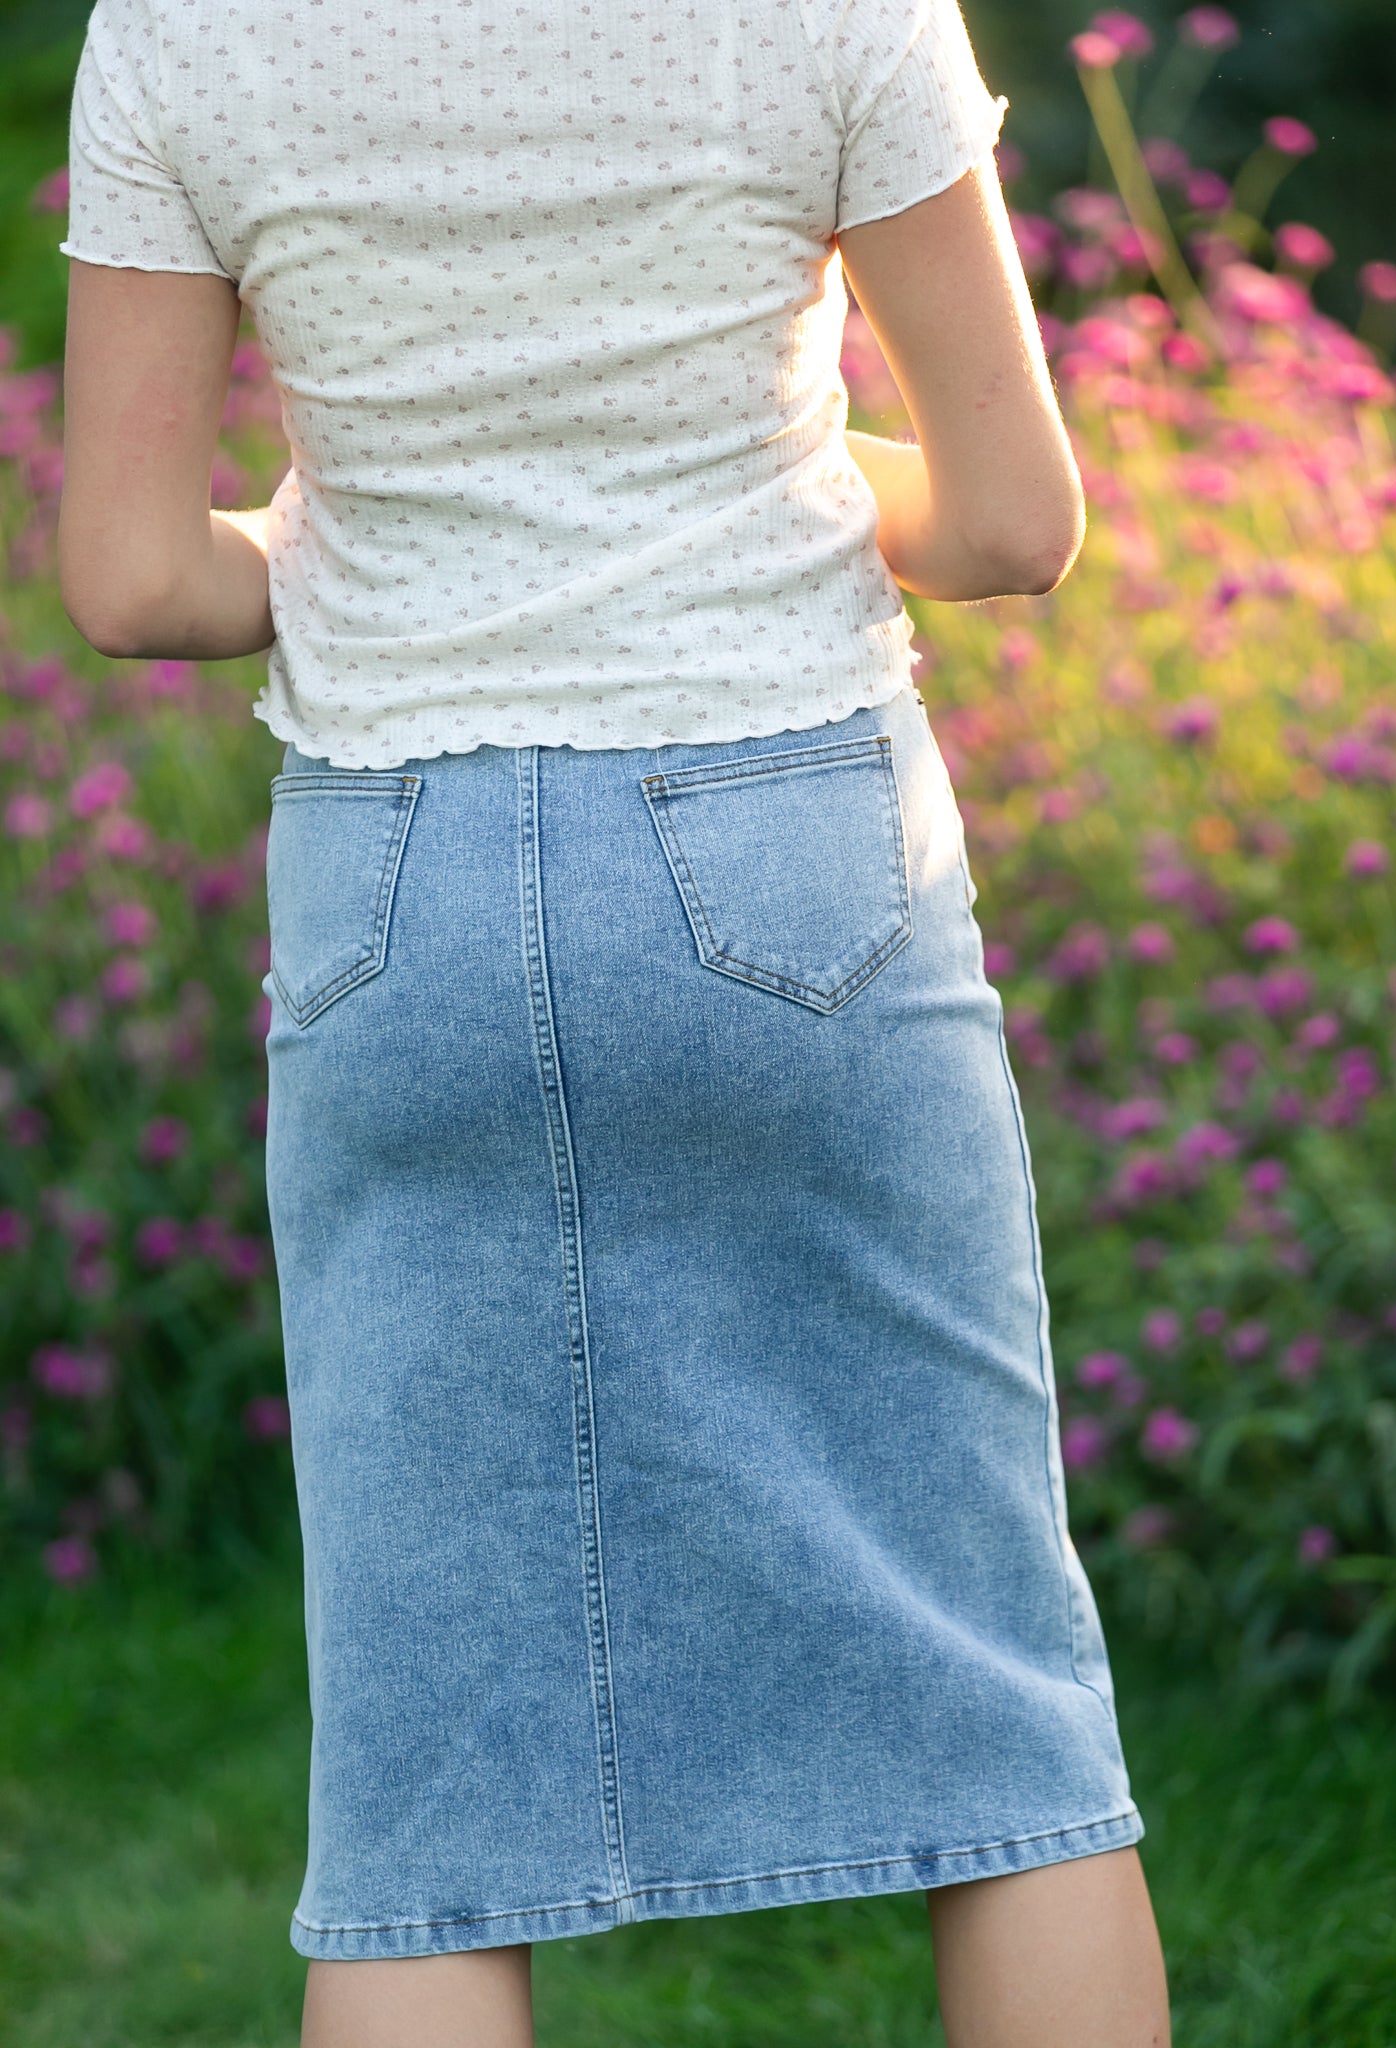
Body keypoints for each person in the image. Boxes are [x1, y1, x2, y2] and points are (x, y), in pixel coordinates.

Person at [56, 0, 1171, 2042]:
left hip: (406, 884)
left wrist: (339, 543)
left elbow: (129, 577)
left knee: (423, 1809)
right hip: (796, 851)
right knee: (993, 1705)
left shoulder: (182, 28)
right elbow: (1017, 521)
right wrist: (787, 479)